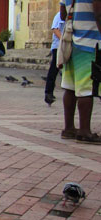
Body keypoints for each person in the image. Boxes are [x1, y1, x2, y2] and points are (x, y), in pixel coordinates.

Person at [60, 0, 101, 143]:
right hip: (89, 43)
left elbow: (62, 14)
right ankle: (84, 131)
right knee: (87, 88)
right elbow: (99, 13)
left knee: (70, 87)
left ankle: (69, 128)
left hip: (71, 42)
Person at [45, 11, 64, 105]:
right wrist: (64, 40)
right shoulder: (59, 15)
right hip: (58, 46)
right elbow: (55, 29)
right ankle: (48, 93)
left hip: (68, 46)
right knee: (54, 69)